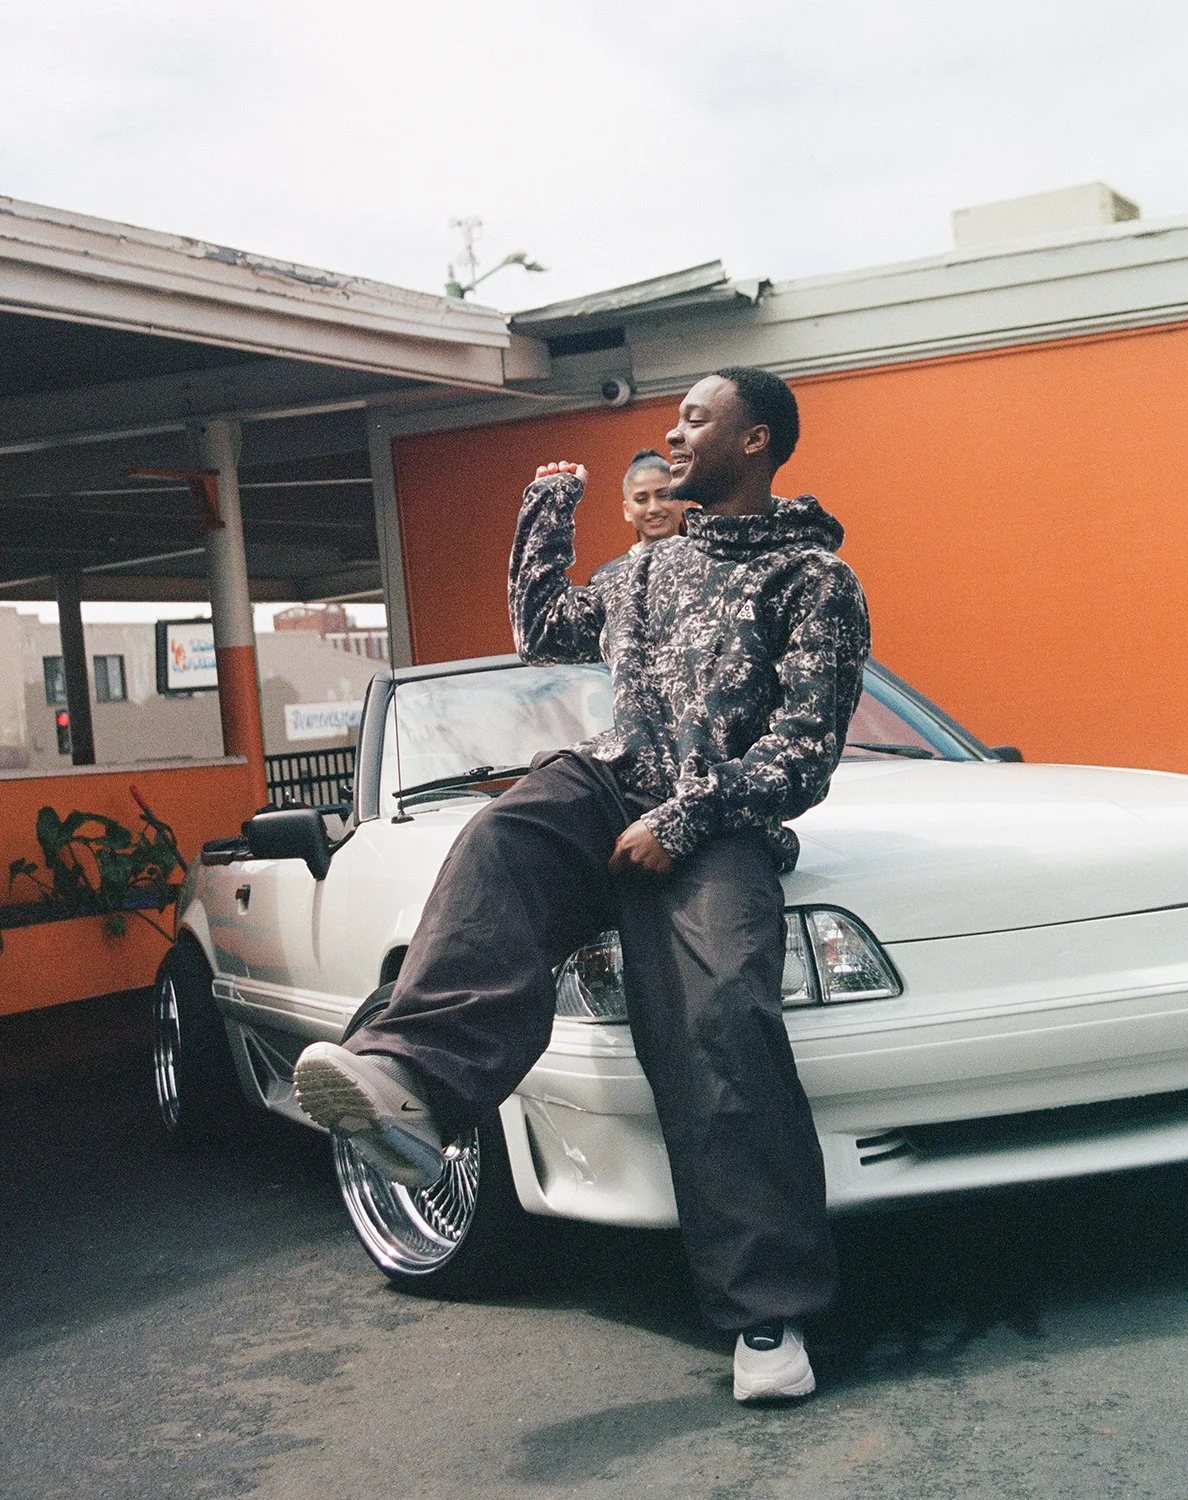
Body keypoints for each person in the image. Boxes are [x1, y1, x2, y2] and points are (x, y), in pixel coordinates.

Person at [293, 366, 871, 1404]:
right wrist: (547, 508)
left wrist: (683, 820)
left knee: (720, 1019)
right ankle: (413, 1087)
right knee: (500, 840)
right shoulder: (648, 568)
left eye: (696, 418)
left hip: (716, 819)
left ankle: (768, 1314)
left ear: (755, 440)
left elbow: (804, 753)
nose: (673, 434)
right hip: (612, 782)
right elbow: (545, 633)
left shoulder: (814, 580)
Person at [590, 448, 689, 582]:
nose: (653, 508)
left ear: (684, 501)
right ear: (627, 510)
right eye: (641, 499)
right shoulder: (606, 578)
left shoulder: (705, 561)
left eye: (664, 495)